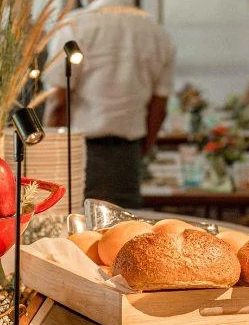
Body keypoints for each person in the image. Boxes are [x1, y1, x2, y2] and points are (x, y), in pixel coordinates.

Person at [44, 0, 175, 208]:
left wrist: (49, 157)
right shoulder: (157, 33)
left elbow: (58, 102)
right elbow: (159, 108)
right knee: (126, 229)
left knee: (77, 226)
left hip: (80, 151)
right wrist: (141, 151)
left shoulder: (74, 27)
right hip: (129, 154)